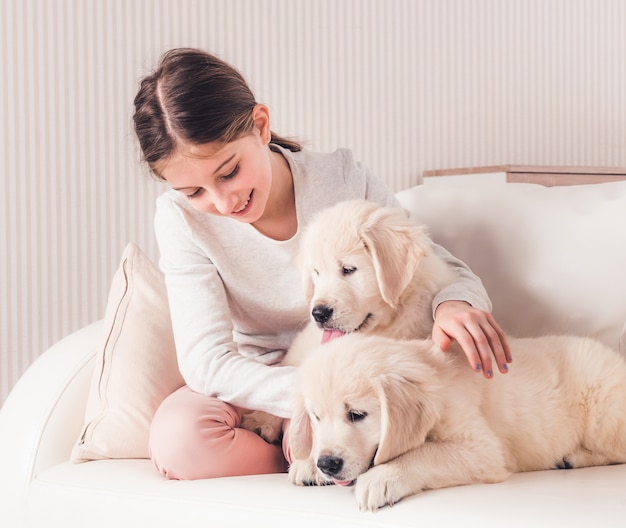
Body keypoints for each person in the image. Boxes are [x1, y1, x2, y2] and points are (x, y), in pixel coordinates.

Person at [132, 47, 512, 481]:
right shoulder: (179, 220)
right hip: (258, 380)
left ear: (260, 126)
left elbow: (433, 263)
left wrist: (454, 302)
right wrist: (310, 399)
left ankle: (319, 454)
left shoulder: (341, 178)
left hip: (351, 378)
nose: (222, 202)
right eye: (194, 192)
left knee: (342, 432)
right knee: (179, 441)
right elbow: (206, 362)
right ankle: (303, 452)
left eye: (229, 172)